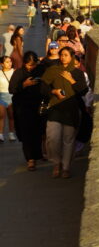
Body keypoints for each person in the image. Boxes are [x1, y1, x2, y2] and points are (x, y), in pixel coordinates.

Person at [41, 47, 88, 178]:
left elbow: (83, 91)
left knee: (68, 140)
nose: (63, 57)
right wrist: (53, 92)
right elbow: (43, 87)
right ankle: (56, 163)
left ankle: (66, 167)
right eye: (61, 55)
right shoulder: (52, 70)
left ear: (72, 57)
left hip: (71, 110)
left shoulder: (77, 73)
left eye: (66, 55)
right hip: (55, 109)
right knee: (52, 138)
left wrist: (71, 80)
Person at [10, 51, 44, 171]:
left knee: (38, 132)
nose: (31, 67)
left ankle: (38, 154)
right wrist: (24, 85)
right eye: (29, 65)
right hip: (23, 109)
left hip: (38, 107)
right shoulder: (19, 73)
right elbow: (12, 89)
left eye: (33, 65)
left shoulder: (40, 70)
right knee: (27, 134)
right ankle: (30, 159)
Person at [0, 56, 15, 143]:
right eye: (7, 62)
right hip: (1, 96)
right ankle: (0, 134)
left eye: (10, 61)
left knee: (11, 116)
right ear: (1, 64)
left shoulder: (14, 72)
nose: (9, 63)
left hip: (12, 96)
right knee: (1, 116)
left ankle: (11, 133)